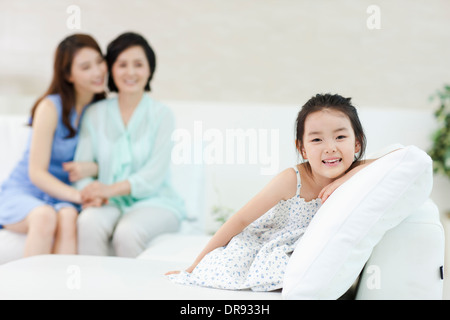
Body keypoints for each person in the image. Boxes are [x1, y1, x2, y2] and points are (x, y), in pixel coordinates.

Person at [166, 93, 377, 291]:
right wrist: (195, 265)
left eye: (340, 137)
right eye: (316, 140)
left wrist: (347, 177)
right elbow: (240, 219)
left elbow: (404, 155)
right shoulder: (292, 179)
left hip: (311, 250)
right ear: (302, 148)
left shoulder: (361, 172)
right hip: (270, 245)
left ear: (356, 142)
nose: (330, 147)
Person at [75, 32, 185, 258]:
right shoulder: (95, 114)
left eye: (138, 64)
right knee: (88, 222)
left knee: (127, 232)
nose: (131, 72)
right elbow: (81, 166)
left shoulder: (162, 115)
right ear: (111, 70)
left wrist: (108, 189)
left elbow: (152, 176)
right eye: (122, 64)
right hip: (107, 202)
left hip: (156, 201)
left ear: (149, 70)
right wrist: (90, 193)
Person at [0, 34, 107, 257]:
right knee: (44, 216)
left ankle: (60, 291)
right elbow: (36, 173)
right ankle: (28, 291)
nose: (97, 72)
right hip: (27, 190)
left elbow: (110, 158)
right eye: (86, 67)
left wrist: (93, 168)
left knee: (68, 217)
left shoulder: (101, 110)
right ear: (68, 75)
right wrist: (79, 196)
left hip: (63, 196)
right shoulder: (49, 107)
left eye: (99, 61)